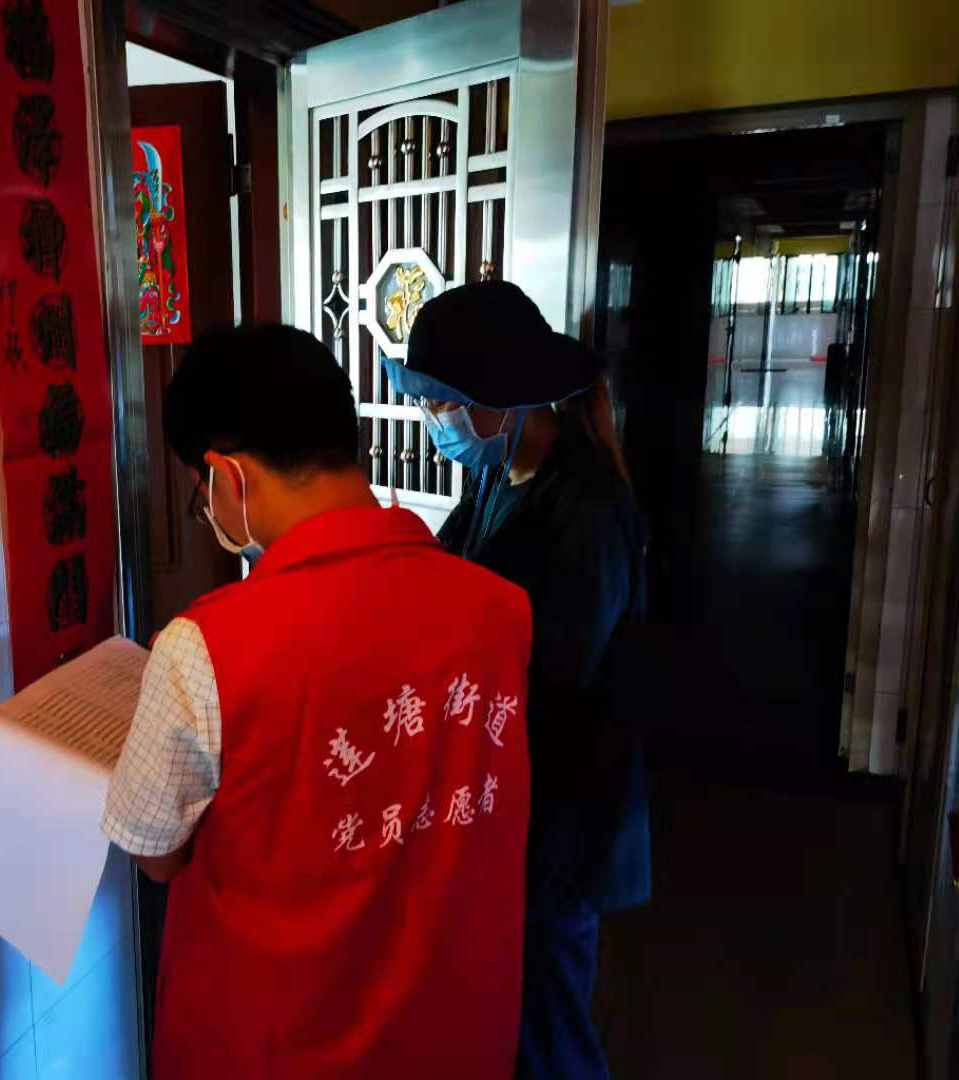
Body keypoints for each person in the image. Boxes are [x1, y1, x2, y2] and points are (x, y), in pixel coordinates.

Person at [102, 323, 534, 1078]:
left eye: (203, 492)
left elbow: (155, 853)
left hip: (276, 1046)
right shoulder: (500, 610)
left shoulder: (205, 646)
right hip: (456, 1033)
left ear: (226, 476)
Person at [383, 281, 651, 1080]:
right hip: (516, 801)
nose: (433, 419)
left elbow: (555, 669)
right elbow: (448, 569)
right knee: (512, 1013)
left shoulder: (589, 507)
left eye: (443, 403)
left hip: (565, 811)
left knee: (550, 1028)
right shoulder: (497, 478)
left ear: (504, 402)